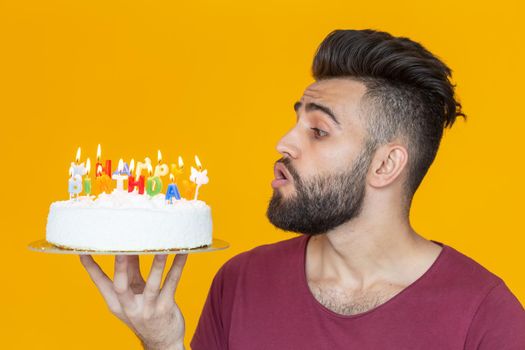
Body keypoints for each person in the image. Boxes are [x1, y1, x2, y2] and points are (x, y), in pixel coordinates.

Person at [80, 29, 525, 349]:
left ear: (386, 164)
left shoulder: (485, 316)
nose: (284, 143)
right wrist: (162, 342)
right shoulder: (241, 282)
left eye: (317, 130)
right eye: (296, 121)